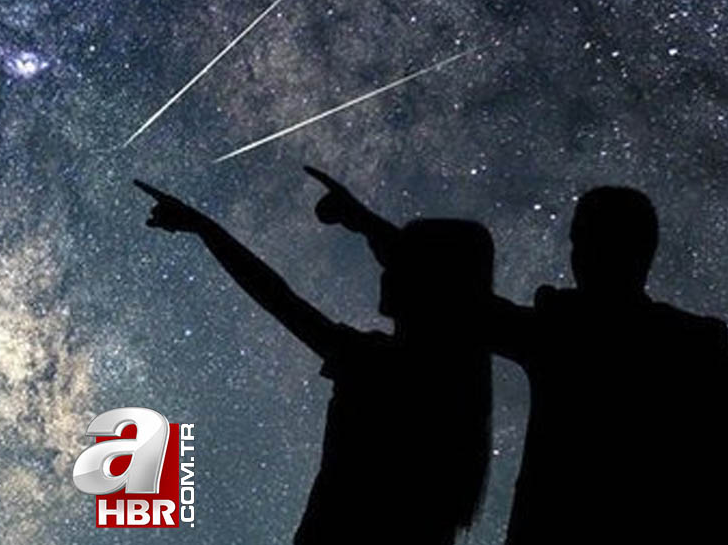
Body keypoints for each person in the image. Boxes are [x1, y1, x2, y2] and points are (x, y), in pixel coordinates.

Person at [312, 177, 728, 543]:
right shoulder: (697, 344)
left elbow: (454, 295)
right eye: (578, 241)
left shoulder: (565, 333)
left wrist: (364, 223)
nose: (578, 255)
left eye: (584, 240)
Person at [136, 177, 495, 545]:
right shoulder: (455, 378)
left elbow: (277, 297)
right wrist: (362, 220)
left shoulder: (379, 364)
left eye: (396, 265)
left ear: (427, 285)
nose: (384, 272)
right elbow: (439, 277)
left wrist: (203, 227)